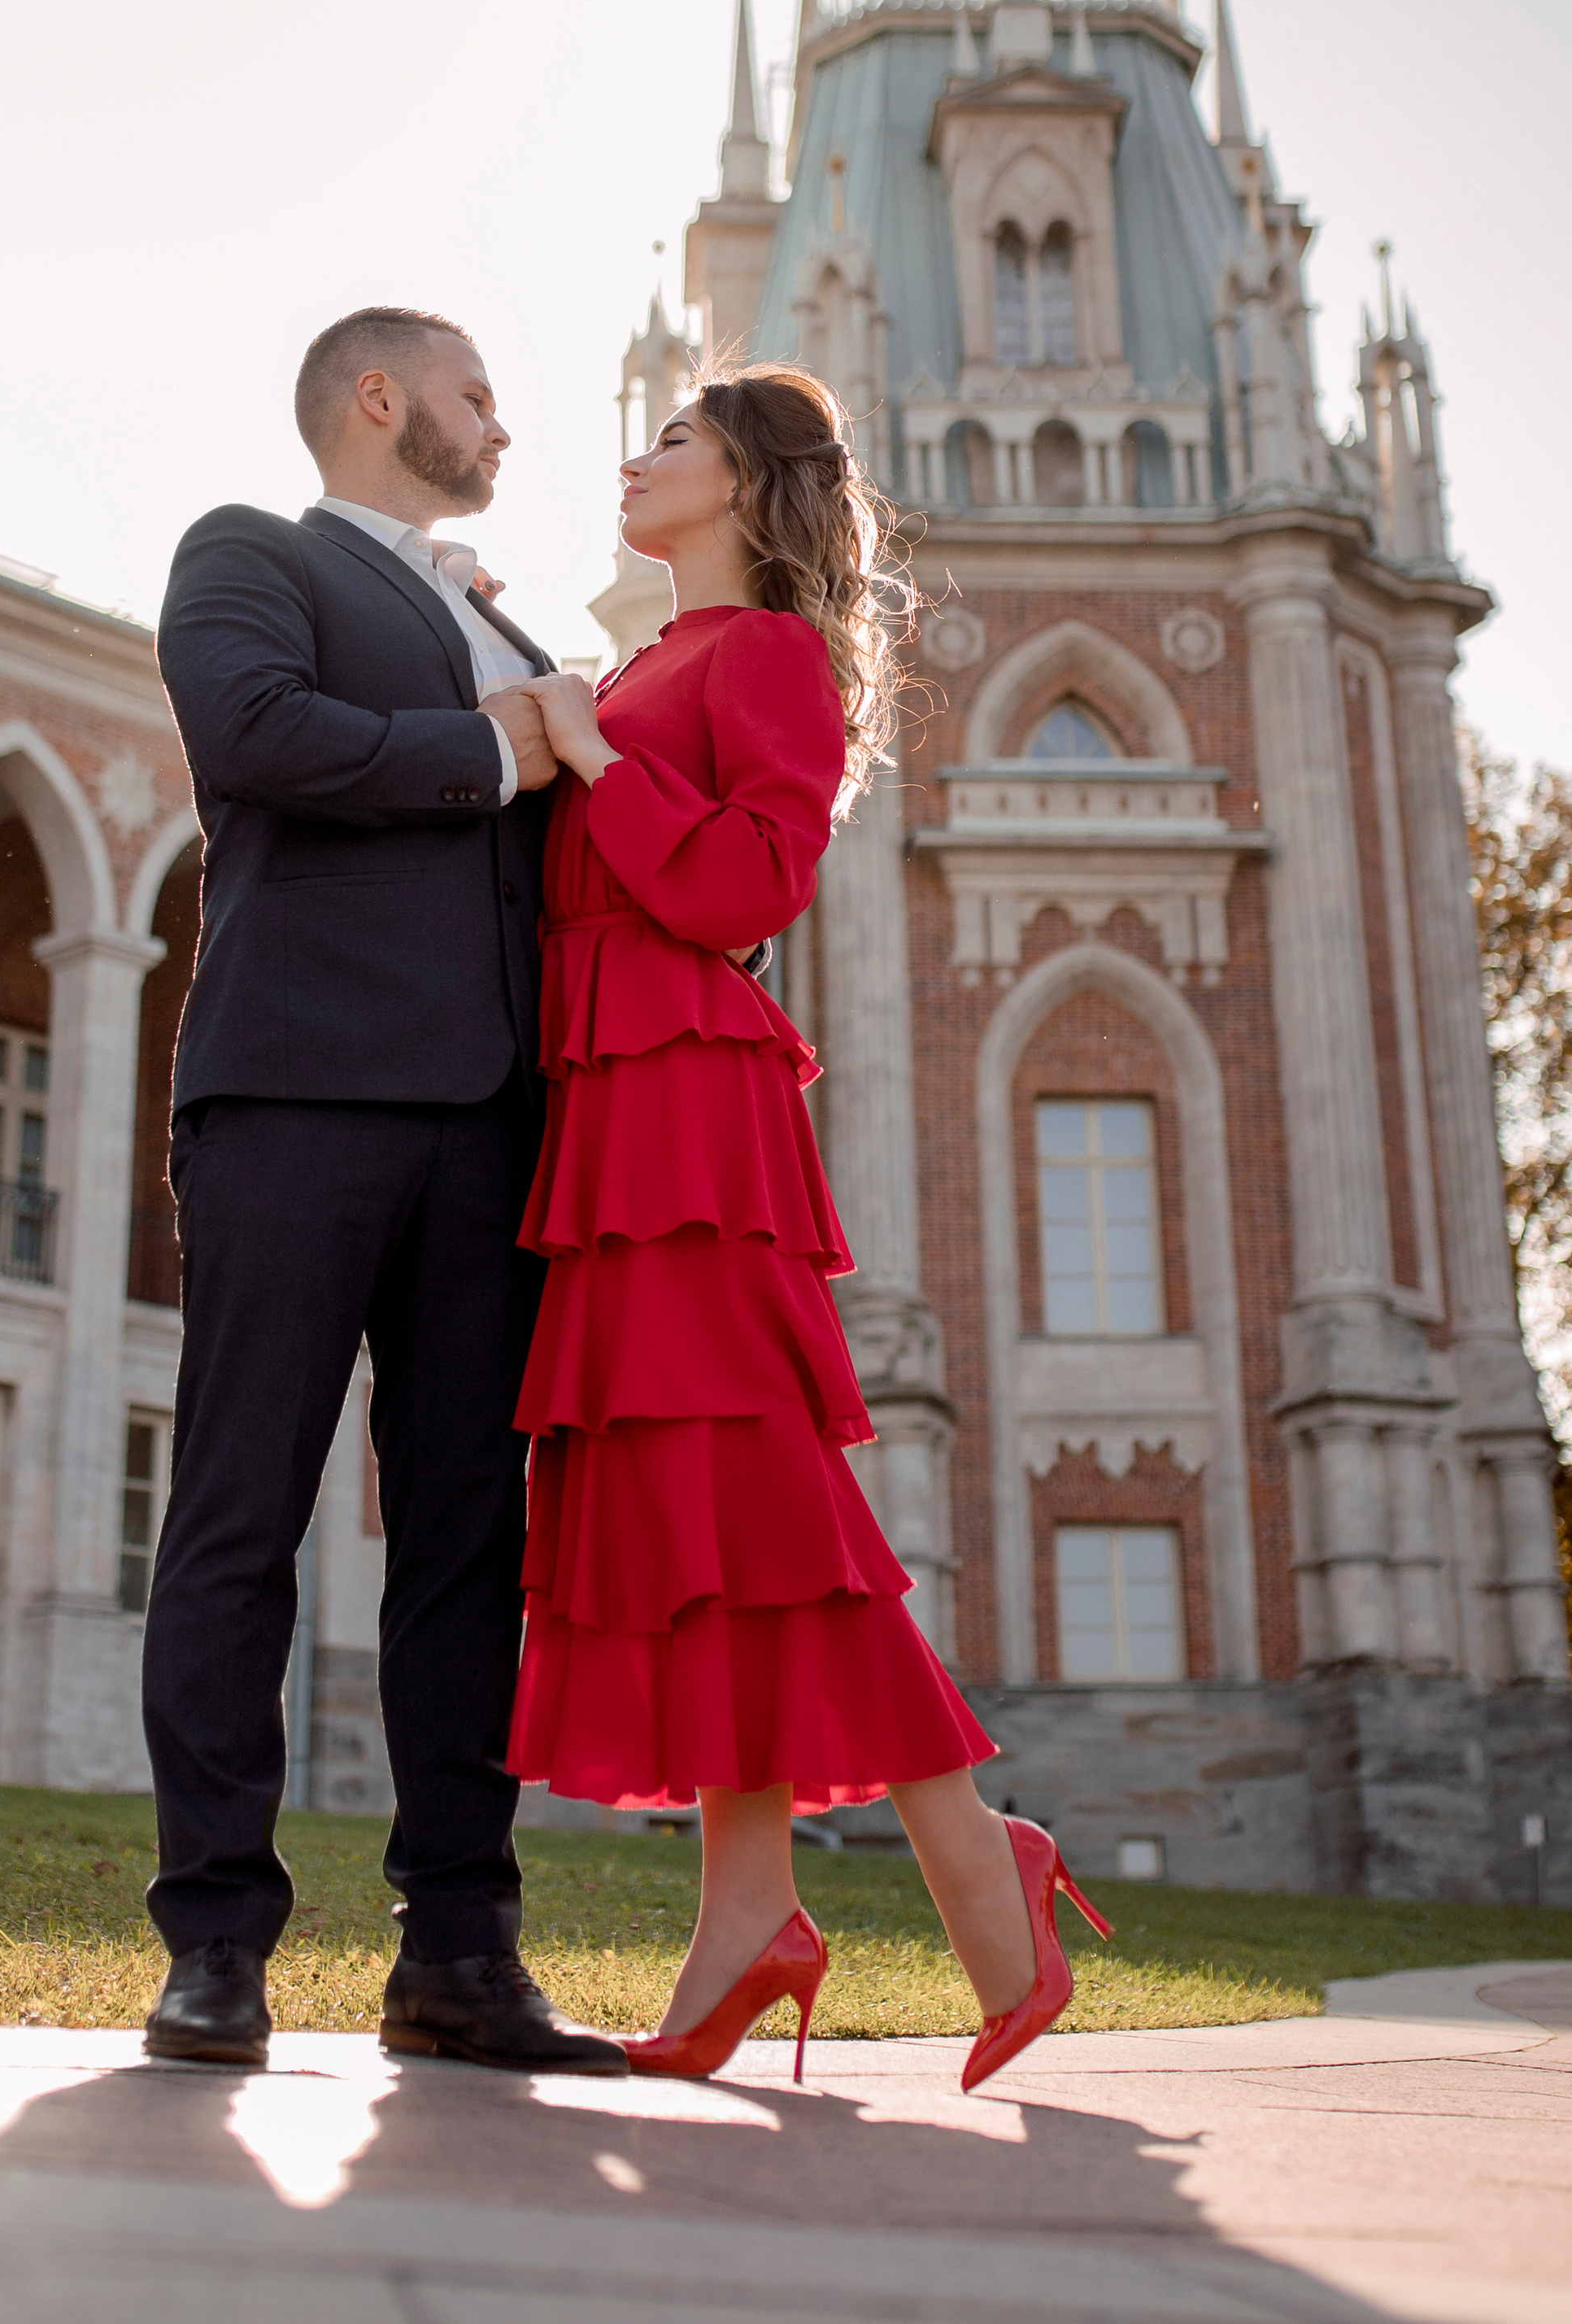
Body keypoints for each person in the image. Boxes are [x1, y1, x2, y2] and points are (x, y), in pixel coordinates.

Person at [507, 362, 1113, 2090]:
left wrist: (584, 752)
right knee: (698, 1522)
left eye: (673, 441)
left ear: (747, 483)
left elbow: (742, 890)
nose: (635, 459)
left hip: (687, 1113)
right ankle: (753, 1911)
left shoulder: (767, 655)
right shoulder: (646, 664)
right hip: (606, 1106)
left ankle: (970, 1862)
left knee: (762, 1506)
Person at [141, 304, 627, 2077]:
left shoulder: (515, 631)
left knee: (468, 1545)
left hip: (490, 1132)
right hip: (293, 1099)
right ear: (376, 399)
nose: (501, 425)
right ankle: (214, 1943)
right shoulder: (249, 557)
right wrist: (502, 749)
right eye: (473, 394)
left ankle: (460, 1955)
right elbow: (258, 736)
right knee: (239, 1515)